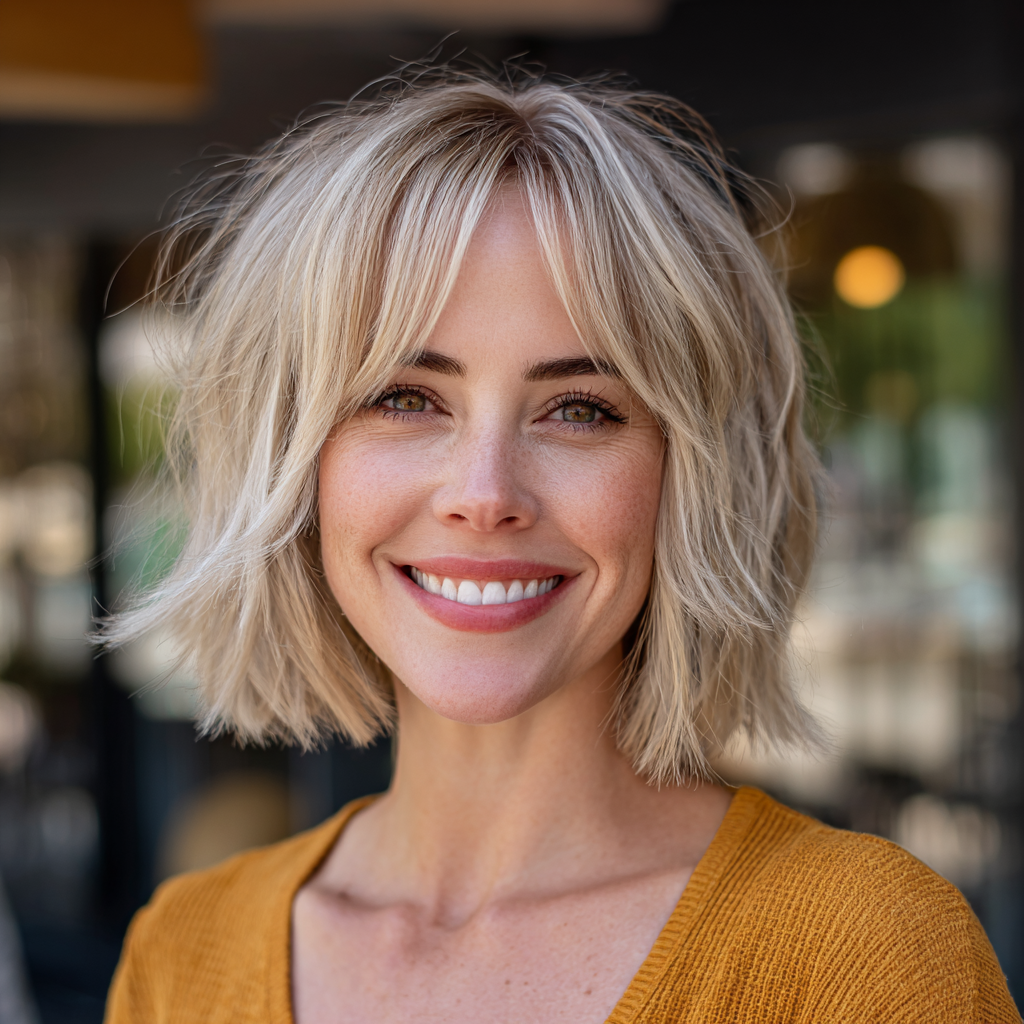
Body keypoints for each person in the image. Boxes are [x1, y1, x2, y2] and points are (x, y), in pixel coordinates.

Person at [101, 69, 1019, 1023]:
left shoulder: (863, 959)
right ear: (292, 458)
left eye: (581, 410)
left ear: (686, 474)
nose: (485, 495)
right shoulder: (182, 956)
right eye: (405, 397)